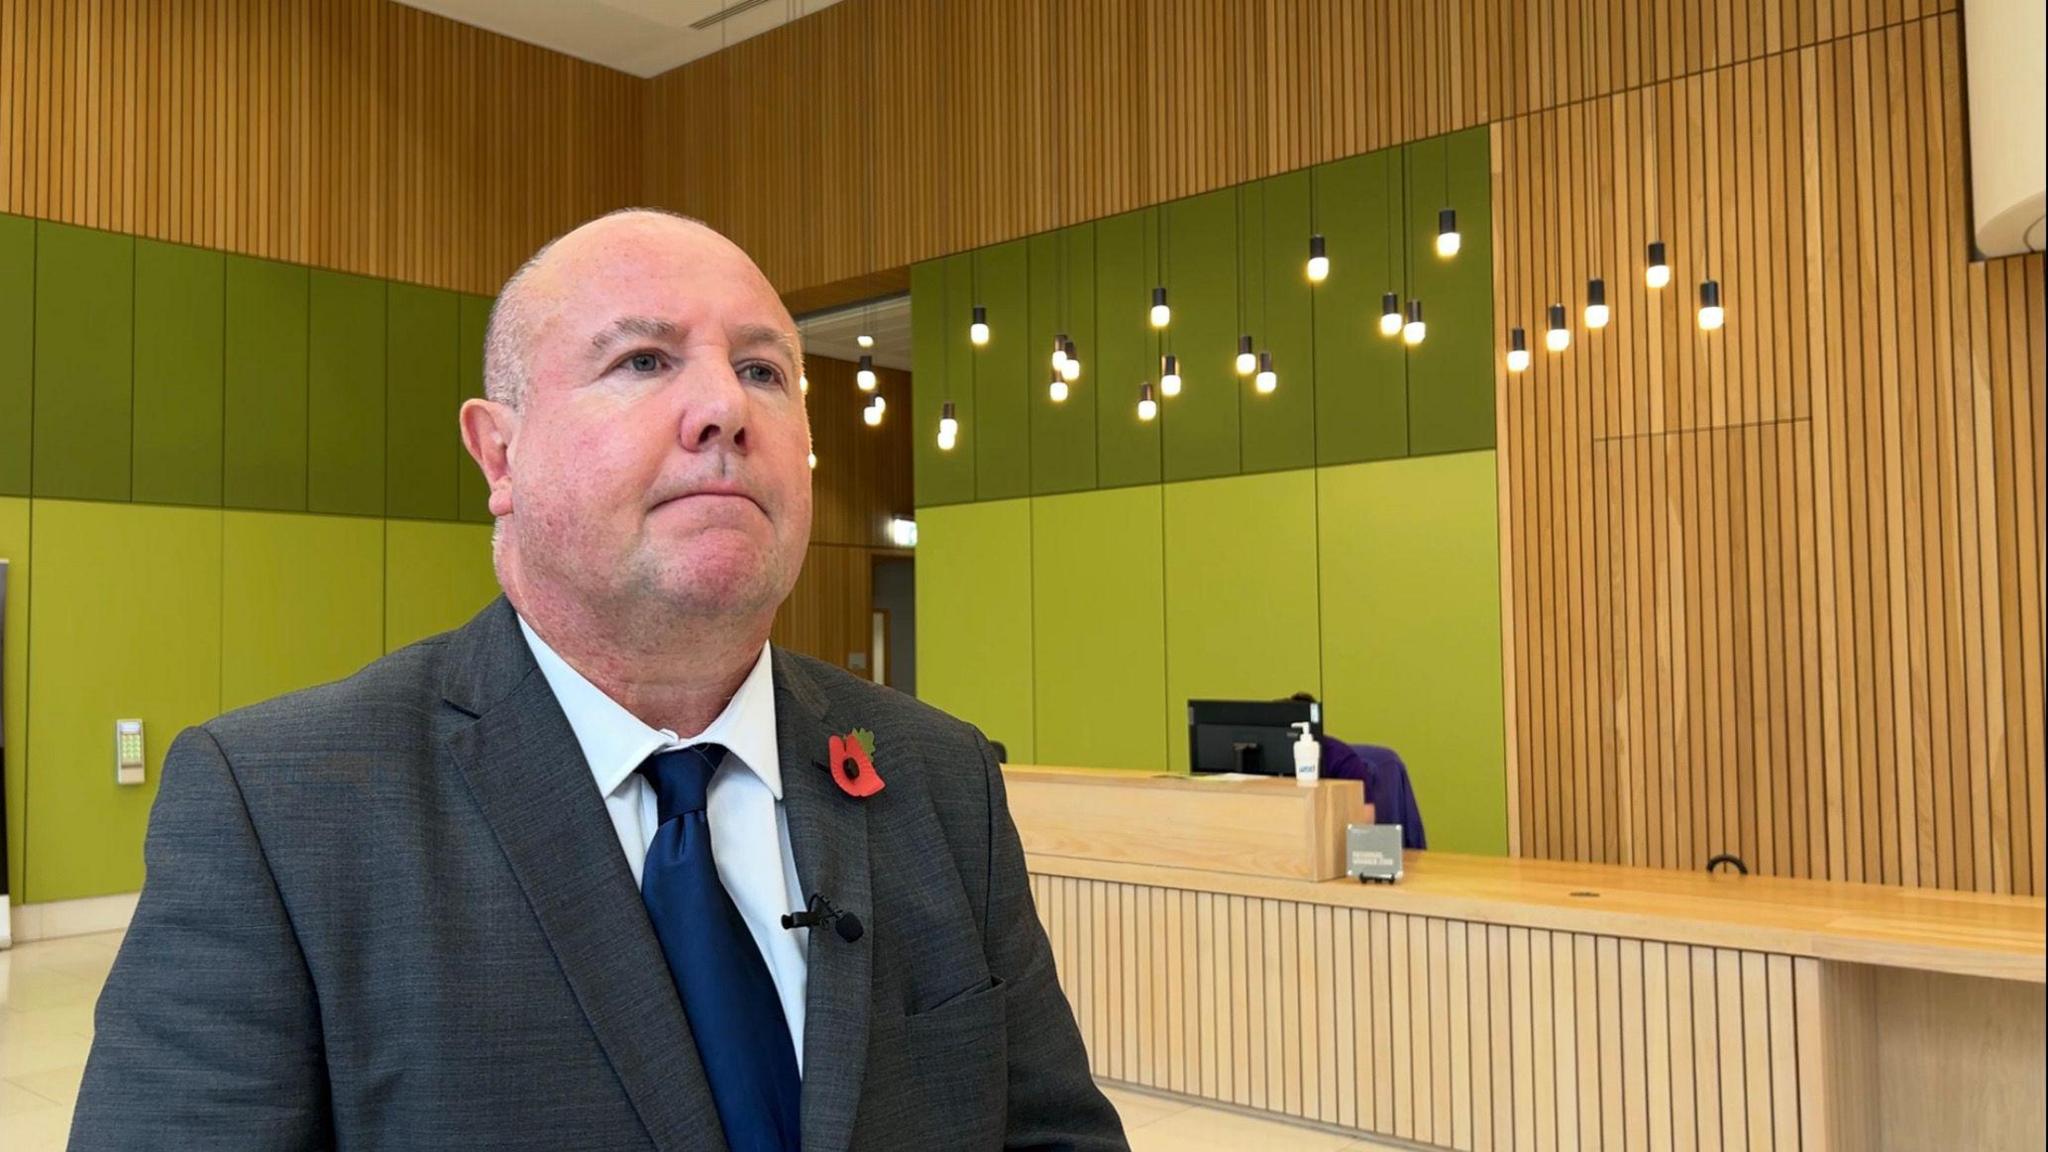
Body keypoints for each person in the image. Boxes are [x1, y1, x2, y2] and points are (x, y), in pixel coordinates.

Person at [71, 209, 1128, 1151]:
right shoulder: (279, 808)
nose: (723, 408)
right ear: (499, 456)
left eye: (764, 371)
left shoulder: (938, 776)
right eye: (641, 361)